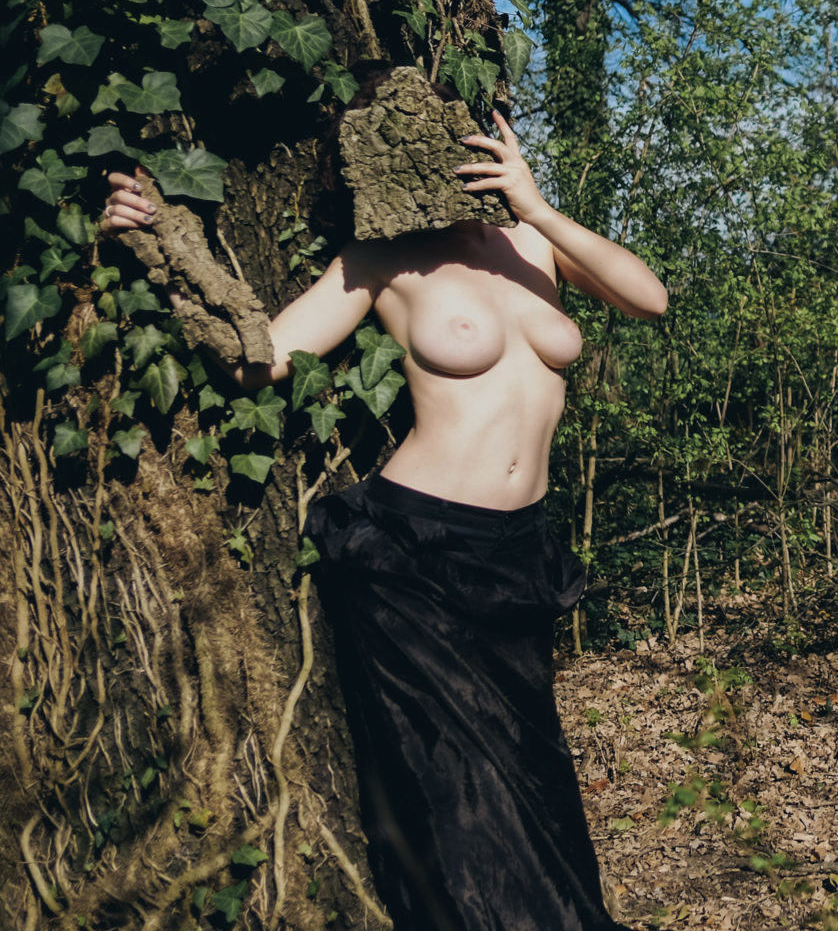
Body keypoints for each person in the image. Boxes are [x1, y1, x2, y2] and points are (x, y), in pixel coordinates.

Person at [103, 113, 665, 931]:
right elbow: (261, 361)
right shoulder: (380, 260)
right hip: (416, 556)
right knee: (453, 795)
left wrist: (537, 206)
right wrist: (163, 249)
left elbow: (650, 298)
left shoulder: (531, 244)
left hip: (518, 554)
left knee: (535, 774)